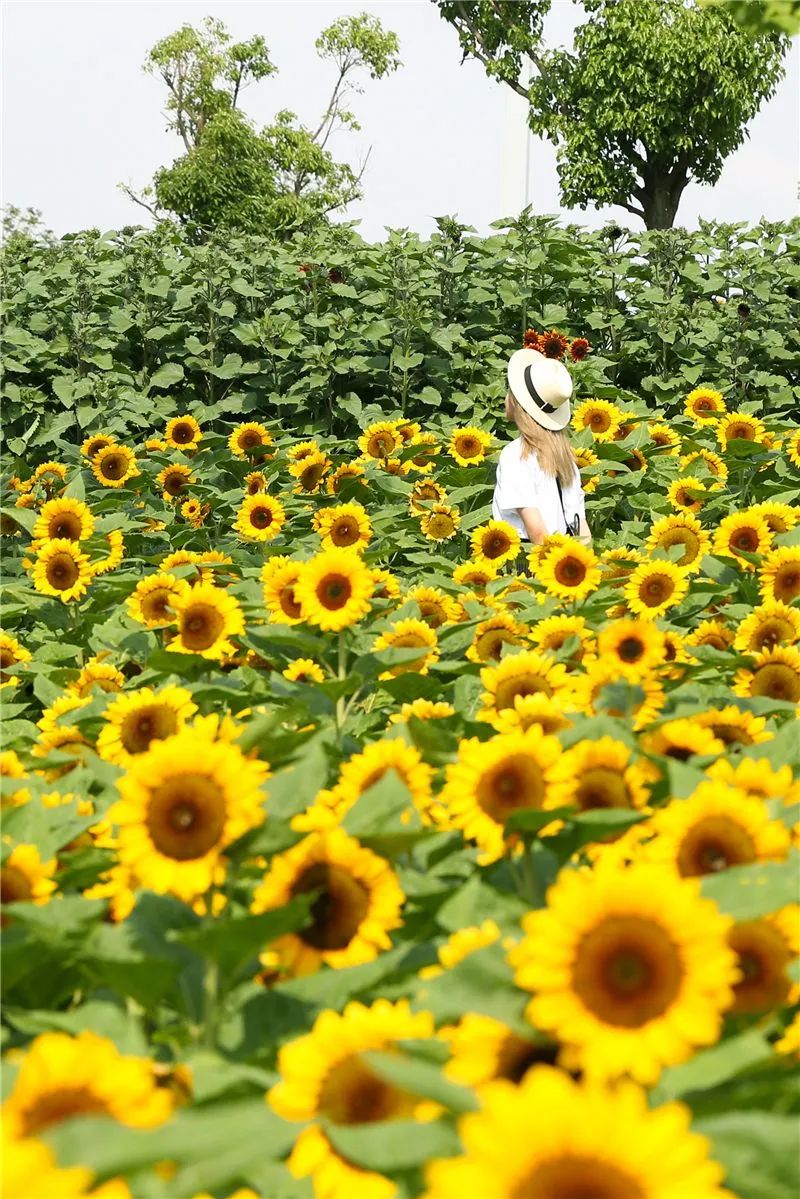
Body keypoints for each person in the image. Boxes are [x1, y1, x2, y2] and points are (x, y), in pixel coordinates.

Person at [492, 347, 591, 546]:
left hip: (532, 559)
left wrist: (548, 567)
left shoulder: (515, 455)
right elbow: (580, 527)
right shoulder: (564, 457)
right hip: (565, 556)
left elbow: (535, 530)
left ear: (518, 403)